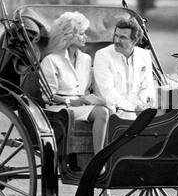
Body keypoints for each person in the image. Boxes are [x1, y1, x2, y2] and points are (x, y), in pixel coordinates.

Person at [40, 11, 109, 154]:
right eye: (82, 33)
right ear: (69, 36)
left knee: (111, 110)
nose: (86, 37)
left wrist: (96, 99)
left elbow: (88, 89)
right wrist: (70, 102)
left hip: (81, 106)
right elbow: (48, 97)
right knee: (101, 113)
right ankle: (98, 158)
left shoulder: (86, 59)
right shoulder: (51, 60)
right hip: (59, 110)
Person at [93, 18, 156, 120]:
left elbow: (147, 86)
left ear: (134, 40)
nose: (117, 40)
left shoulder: (144, 55)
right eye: (116, 36)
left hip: (136, 107)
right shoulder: (102, 55)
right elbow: (107, 91)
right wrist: (131, 109)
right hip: (111, 108)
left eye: (122, 37)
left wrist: (145, 102)